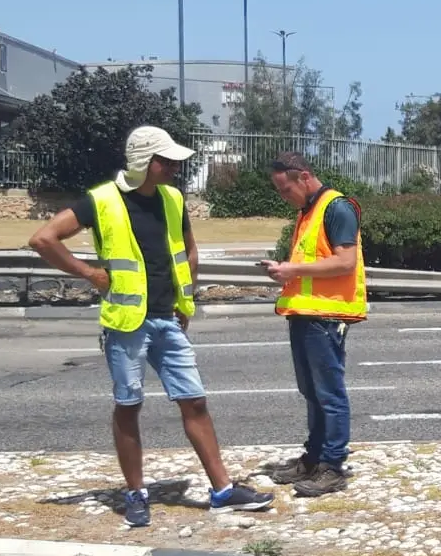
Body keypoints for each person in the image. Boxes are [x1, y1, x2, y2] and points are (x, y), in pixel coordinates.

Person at [28, 125, 273, 527]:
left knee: (194, 401)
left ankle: (223, 490)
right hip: (127, 323)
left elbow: (188, 250)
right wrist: (90, 274)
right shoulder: (102, 200)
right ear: (145, 162)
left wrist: (186, 298)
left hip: (167, 318)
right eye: (167, 160)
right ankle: (135, 492)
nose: (175, 167)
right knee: (129, 405)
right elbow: (43, 239)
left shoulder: (173, 199)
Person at [258, 152, 366, 498]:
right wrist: (283, 270)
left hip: (326, 317)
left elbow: (345, 262)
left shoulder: (336, 208)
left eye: (284, 189)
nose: (283, 197)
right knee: (312, 392)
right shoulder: (308, 212)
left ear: (304, 177)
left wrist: (292, 270)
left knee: (329, 394)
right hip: (305, 314)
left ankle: (332, 466)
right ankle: (313, 457)